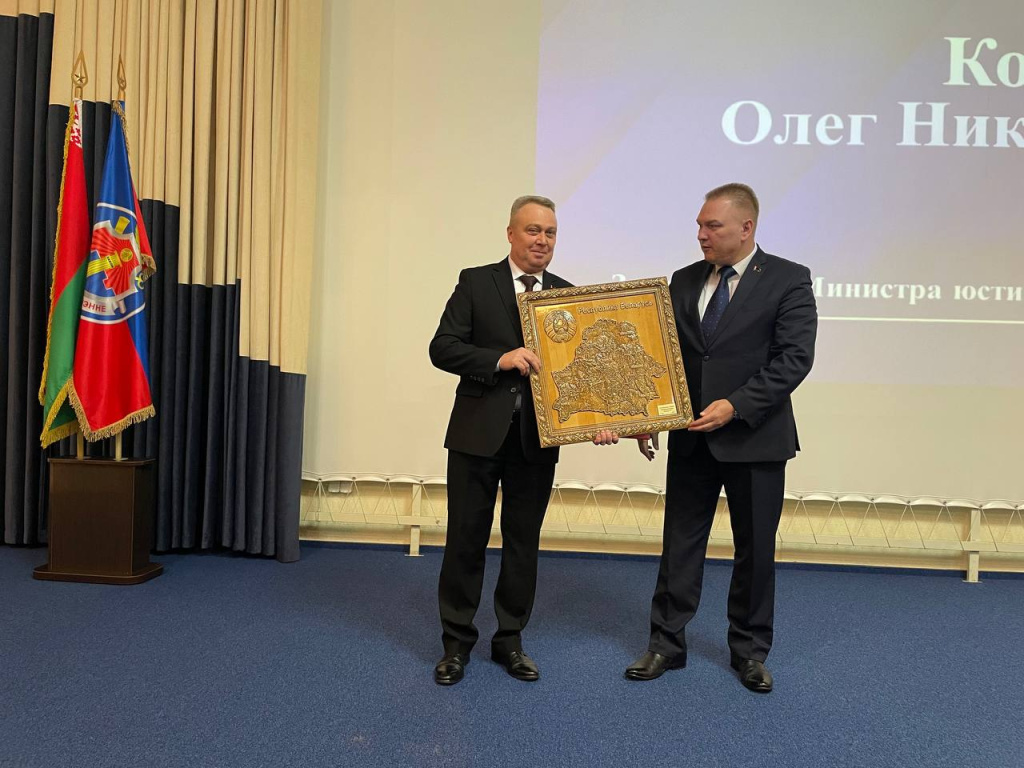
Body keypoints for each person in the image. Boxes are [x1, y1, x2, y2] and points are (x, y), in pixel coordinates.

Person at [624, 183, 817, 692]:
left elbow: (794, 359)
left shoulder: (789, 279)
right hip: (691, 438)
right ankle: (666, 644)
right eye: (699, 225)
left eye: (712, 226)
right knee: (679, 545)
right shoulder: (684, 280)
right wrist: (648, 413)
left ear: (746, 228)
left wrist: (736, 405)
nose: (701, 235)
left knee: (754, 549)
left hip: (756, 436)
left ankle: (749, 652)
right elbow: (663, 356)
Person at [429, 195, 616, 685]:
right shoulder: (476, 281)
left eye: (550, 232)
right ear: (511, 233)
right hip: (476, 435)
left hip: (538, 439)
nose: (542, 240)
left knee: (522, 544)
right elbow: (443, 348)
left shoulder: (566, 295)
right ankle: (455, 646)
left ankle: (509, 641)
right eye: (533, 230)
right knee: (465, 540)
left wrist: (597, 418)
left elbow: (583, 372)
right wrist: (500, 359)